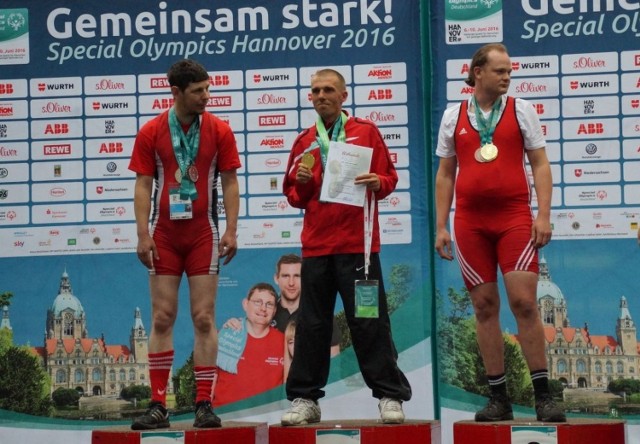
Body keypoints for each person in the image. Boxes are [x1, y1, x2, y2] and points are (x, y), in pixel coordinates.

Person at [434, 43, 565, 423]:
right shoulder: (452, 116)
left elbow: (540, 164)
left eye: (509, 71)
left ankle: (543, 396)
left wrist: (542, 214)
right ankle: (498, 398)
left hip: (513, 219)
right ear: (477, 72)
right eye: (500, 71)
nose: (507, 77)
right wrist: (441, 225)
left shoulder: (521, 110)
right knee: (484, 307)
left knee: (524, 303)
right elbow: (445, 174)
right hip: (471, 223)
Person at [280, 68, 411, 425]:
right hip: (318, 249)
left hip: (358, 249)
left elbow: (389, 180)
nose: (321, 96)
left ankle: (389, 395)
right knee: (312, 326)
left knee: (369, 323)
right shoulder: (305, 140)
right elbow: (293, 196)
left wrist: (376, 181)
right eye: (315, 91)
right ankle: (305, 399)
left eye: (328, 90)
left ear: (343, 96)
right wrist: (303, 184)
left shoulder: (366, 133)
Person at [128, 59, 241, 430]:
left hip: (202, 234)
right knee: (161, 318)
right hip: (164, 234)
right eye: (198, 91)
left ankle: (204, 404)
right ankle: (158, 404)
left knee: (204, 318)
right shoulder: (152, 131)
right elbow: (144, 184)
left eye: (208, 89)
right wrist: (143, 233)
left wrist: (231, 229)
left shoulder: (220, 130)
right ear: (176, 92)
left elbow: (229, 183)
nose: (206, 97)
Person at [224, 253, 342, 356]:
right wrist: (232, 326)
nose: (291, 283)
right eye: (286, 276)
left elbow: (334, 360)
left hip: (309, 380)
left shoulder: (320, 313)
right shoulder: (265, 312)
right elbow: (246, 334)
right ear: (276, 278)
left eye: (297, 276)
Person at [213, 283, 285, 407]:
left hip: (266, 419)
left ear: (274, 311)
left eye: (269, 304)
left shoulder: (284, 342)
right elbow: (210, 381)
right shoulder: (226, 336)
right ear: (245, 304)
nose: (263, 308)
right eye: (258, 302)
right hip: (224, 418)